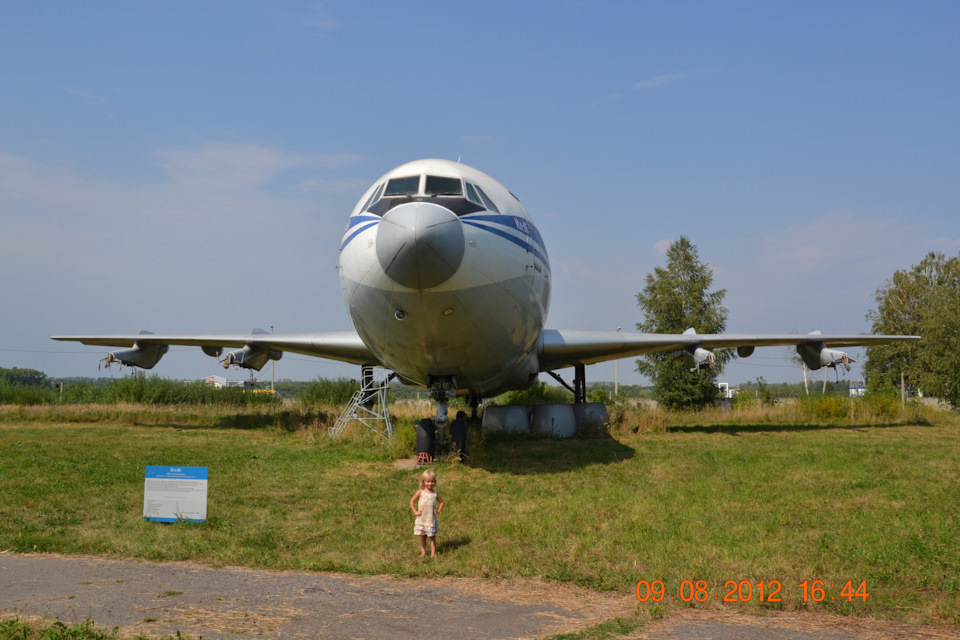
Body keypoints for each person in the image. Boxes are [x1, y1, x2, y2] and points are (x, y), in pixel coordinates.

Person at [409, 469, 444, 557]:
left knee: (432, 537)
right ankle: (423, 553)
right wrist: (415, 511)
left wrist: (438, 511)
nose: (430, 483)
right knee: (423, 537)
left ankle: (433, 553)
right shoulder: (420, 492)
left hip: (430, 519)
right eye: (428, 481)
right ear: (423, 482)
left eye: (432, 481)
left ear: (435, 482)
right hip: (422, 519)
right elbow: (412, 501)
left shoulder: (435, 494)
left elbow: (442, 503)